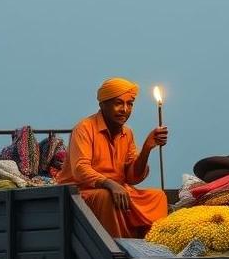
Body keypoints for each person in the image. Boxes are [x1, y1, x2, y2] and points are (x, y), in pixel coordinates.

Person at [55, 77, 169, 239]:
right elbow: (81, 169)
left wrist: (147, 148)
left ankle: (153, 245)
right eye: (118, 103)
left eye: (130, 104)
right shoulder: (84, 128)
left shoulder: (127, 133)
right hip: (82, 192)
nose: (125, 109)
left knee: (158, 197)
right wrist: (110, 184)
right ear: (103, 105)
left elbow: (132, 177)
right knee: (107, 196)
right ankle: (118, 249)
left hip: (118, 189)